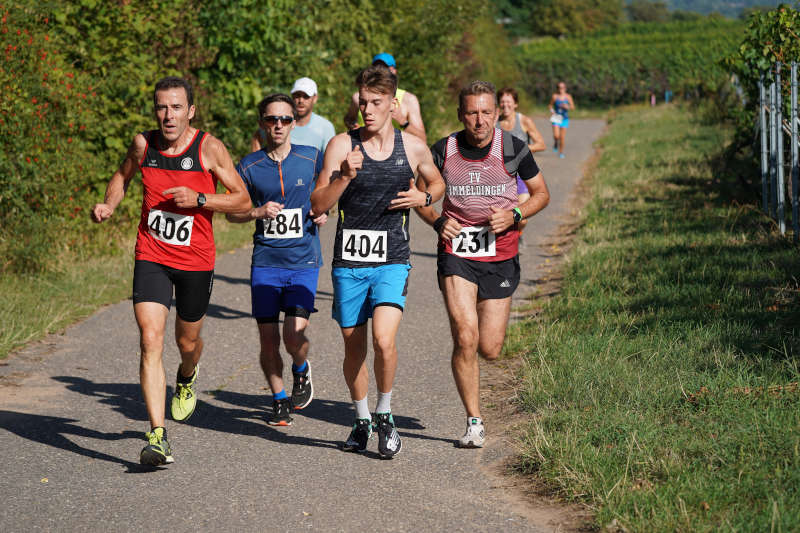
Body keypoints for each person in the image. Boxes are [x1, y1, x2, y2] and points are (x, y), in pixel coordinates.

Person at [90, 76, 251, 465]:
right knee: (150, 338)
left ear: (190, 111)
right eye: (162, 107)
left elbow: (243, 198)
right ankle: (157, 435)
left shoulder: (209, 148)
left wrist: (200, 198)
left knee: (187, 343)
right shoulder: (143, 144)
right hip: (152, 254)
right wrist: (110, 204)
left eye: (176, 107)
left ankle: (187, 375)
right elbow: (122, 175)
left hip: (196, 260)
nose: (168, 115)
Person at [312, 64, 445, 458]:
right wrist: (343, 177)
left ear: (392, 103)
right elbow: (317, 204)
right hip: (349, 264)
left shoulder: (413, 146)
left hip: (393, 258)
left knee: (384, 341)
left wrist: (423, 198)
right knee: (355, 348)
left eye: (376, 102)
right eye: (362, 102)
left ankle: (385, 413)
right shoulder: (341, 146)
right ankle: (361, 418)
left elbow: (436, 182)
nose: (367, 110)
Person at [416, 80, 549, 448]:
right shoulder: (443, 150)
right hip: (457, 252)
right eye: (472, 112)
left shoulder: (513, 148)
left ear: (496, 113)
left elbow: (542, 194)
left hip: (500, 255)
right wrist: (438, 220)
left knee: (490, 347)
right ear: (461, 115)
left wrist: (515, 213)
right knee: (466, 336)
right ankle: (474, 422)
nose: (479, 120)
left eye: (486, 112)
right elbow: (420, 195)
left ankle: (477, 312)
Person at [228, 93, 327, 426]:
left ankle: (301, 369)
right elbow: (233, 214)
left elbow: (327, 192)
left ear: (294, 123)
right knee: (268, 338)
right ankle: (279, 398)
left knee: (293, 335)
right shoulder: (249, 165)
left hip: (303, 260)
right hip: (266, 262)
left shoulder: (312, 157)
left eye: (285, 119)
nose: (279, 125)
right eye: (272, 119)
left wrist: (323, 211)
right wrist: (257, 211)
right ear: (262, 123)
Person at [496, 87, 546, 241]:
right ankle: (504, 244)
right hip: (500, 177)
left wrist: (520, 150)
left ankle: (519, 234)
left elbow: (541, 144)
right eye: (502, 102)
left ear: (515, 104)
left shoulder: (523, 121)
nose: (505, 105)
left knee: (521, 217)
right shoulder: (493, 122)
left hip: (521, 176)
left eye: (509, 102)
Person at [343, 53, 426, 143]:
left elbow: (422, 139)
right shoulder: (357, 97)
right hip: (363, 149)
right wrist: (355, 128)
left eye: (385, 68)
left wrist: (403, 121)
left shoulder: (409, 99)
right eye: (376, 68)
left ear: (394, 71)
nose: (381, 71)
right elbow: (349, 120)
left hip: (396, 153)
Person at [251, 77, 335, 154]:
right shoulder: (275, 122)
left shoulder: (325, 127)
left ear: (315, 98)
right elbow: (257, 136)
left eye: (306, 96)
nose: (301, 100)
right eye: (297, 95)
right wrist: (258, 161)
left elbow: (331, 159)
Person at [549, 81, 575, 159]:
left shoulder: (568, 97)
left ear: (565, 88)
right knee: (556, 135)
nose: (561, 89)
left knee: (562, 137)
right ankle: (556, 142)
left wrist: (567, 107)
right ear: (557, 89)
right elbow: (550, 105)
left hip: (564, 119)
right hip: (556, 117)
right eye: (560, 88)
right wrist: (552, 111)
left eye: (563, 87)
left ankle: (561, 152)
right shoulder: (555, 96)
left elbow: (573, 107)